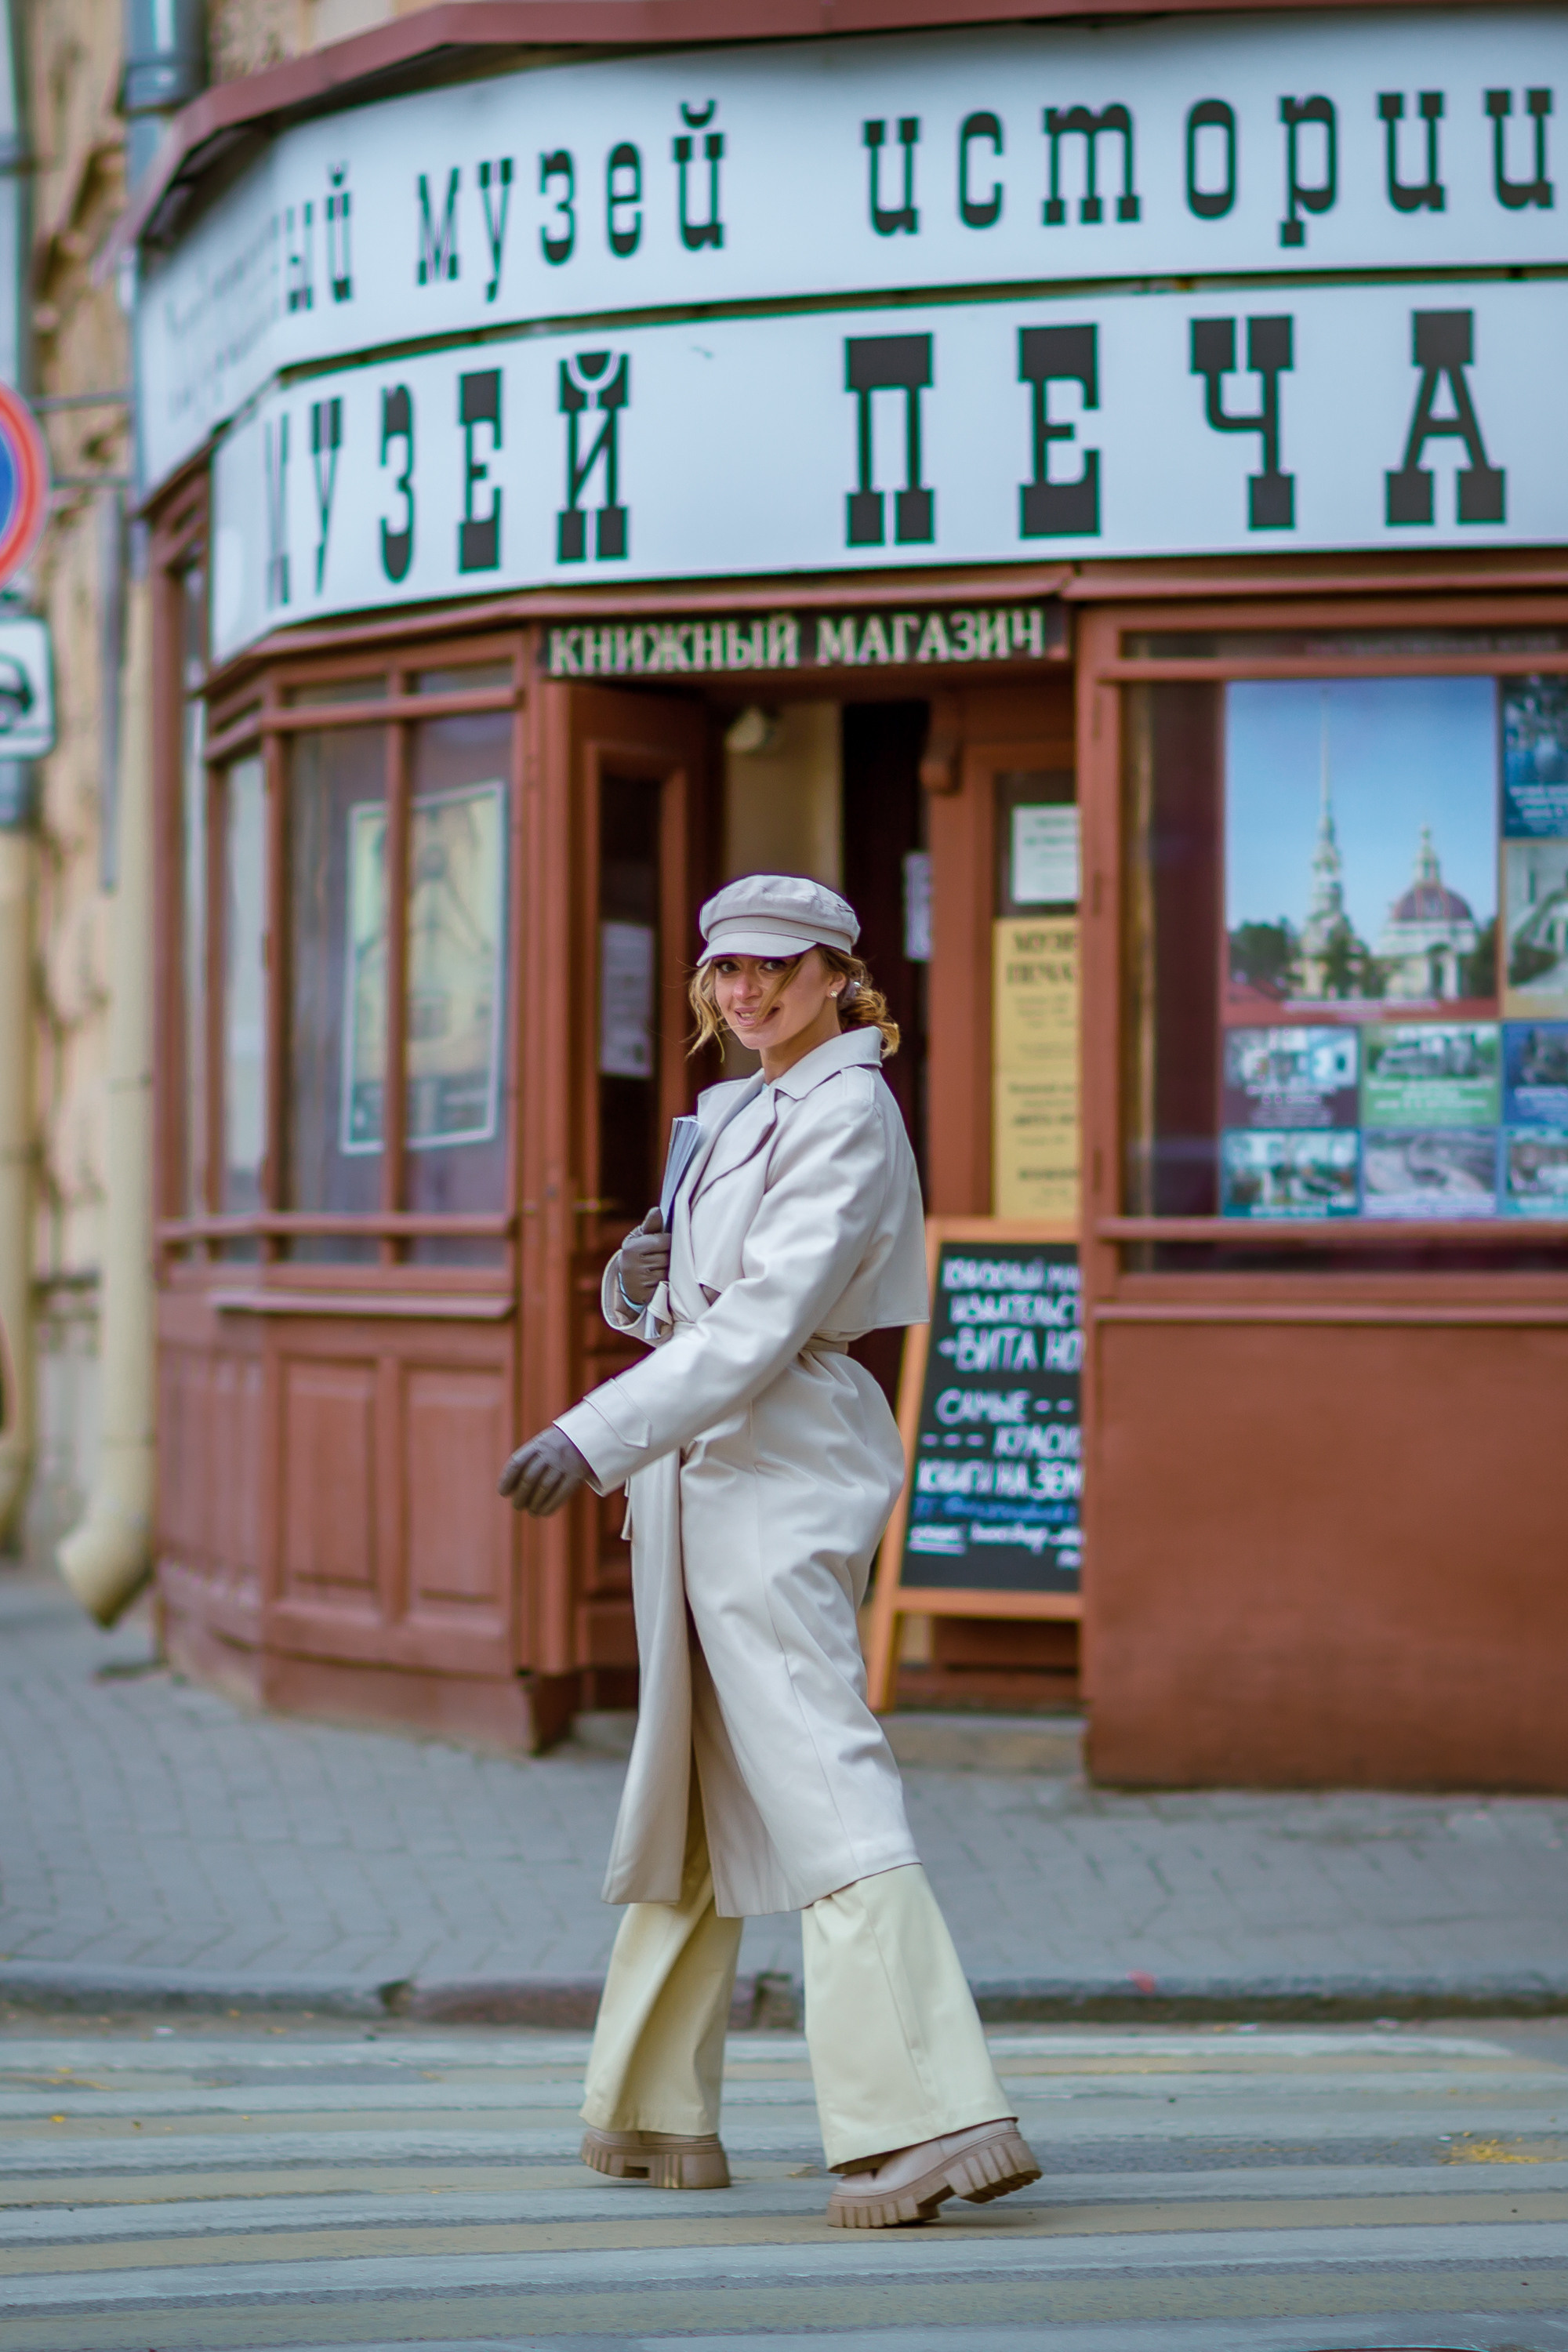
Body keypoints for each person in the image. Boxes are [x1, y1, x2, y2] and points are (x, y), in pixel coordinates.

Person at [499, 873, 1040, 2230]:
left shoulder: (849, 1112)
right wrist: (643, 1274)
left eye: (775, 970)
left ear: (839, 978)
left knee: (817, 1767)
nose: (745, 993)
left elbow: (763, 1326)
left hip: (781, 1461)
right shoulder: (741, 1110)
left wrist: (592, 1432)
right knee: (695, 1772)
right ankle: (655, 2107)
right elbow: (697, 1305)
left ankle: (930, 2117)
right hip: (706, 1468)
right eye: (725, 972)